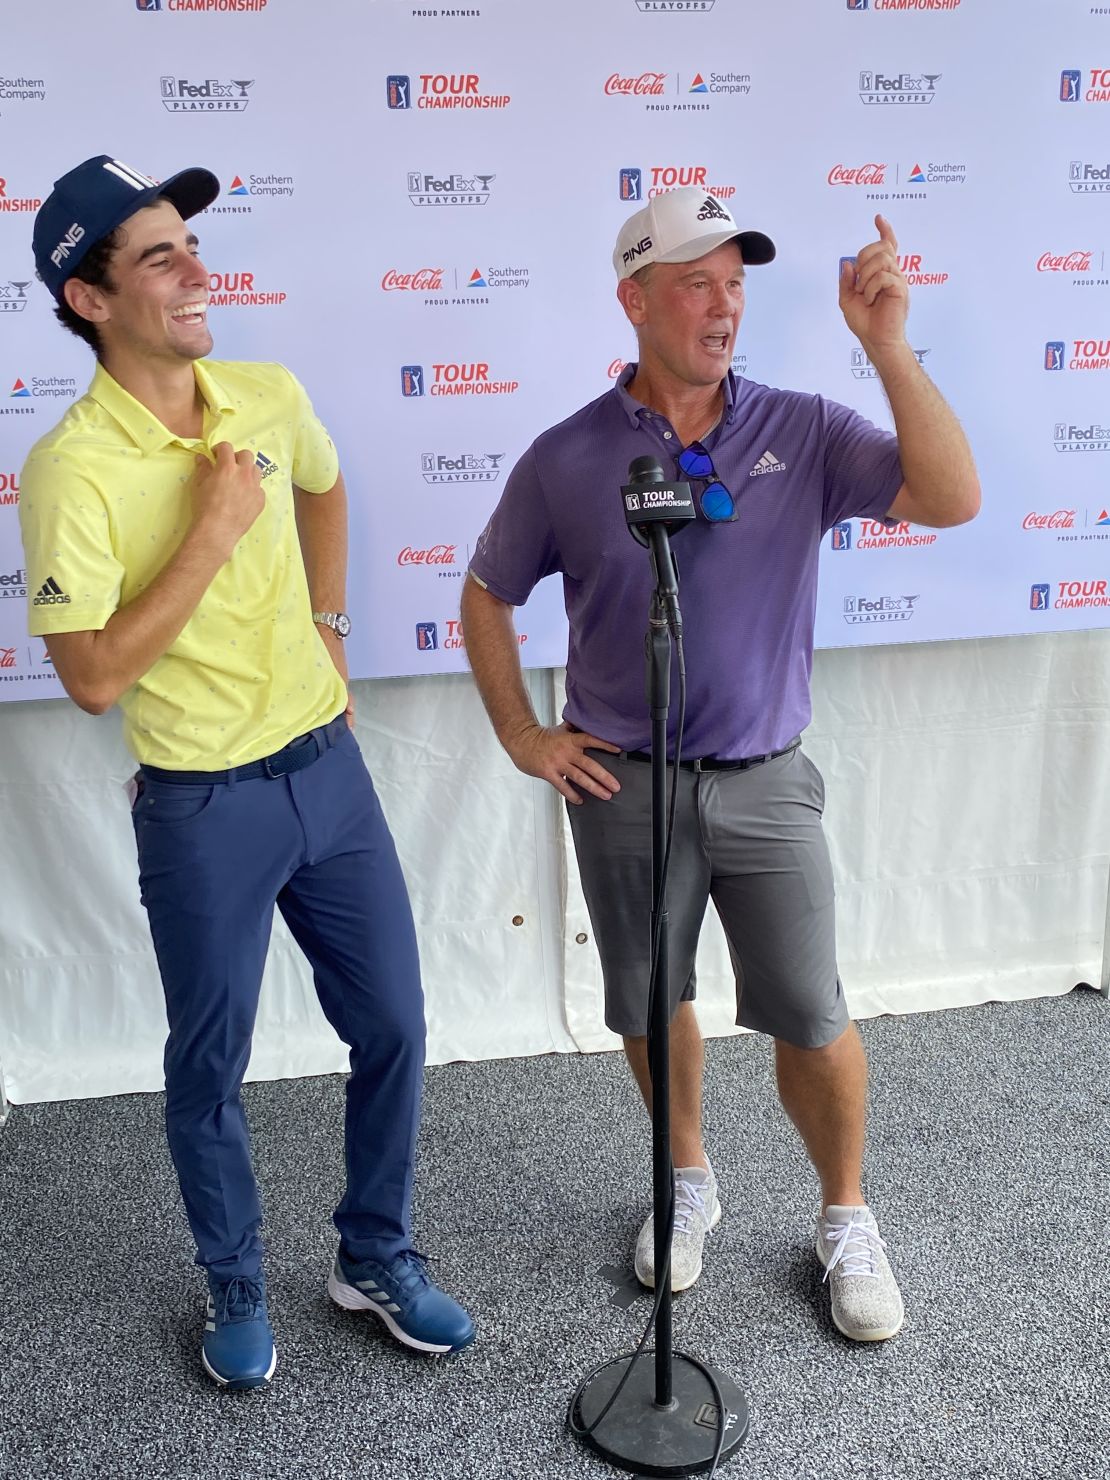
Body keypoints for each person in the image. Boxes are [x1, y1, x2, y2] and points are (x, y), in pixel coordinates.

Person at [460, 185, 979, 1342]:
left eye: (736, 280)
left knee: (812, 1011)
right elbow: (488, 589)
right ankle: (685, 1180)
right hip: (622, 785)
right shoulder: (567, 456)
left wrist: (887, 347)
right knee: (652, 1002)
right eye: (696, 280)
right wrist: (521, 733)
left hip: (766, 782)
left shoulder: (803, 427)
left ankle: (845, 1213)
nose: (723, 303)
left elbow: (951, 497)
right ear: (634, 298)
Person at [20, 156, 474, 1388]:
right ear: (89, 300)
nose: (194, 268)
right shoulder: (70, 467)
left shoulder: (264, 395)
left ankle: (372, 1253)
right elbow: (95, 674)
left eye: (189, 244)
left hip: (328, 772)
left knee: (394, 1025)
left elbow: (326, 487)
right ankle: (235, 1280)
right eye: (156, 255)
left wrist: (329, 624)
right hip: (201, 805)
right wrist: (213, 531)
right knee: (207, 1064)